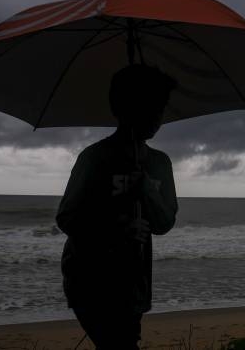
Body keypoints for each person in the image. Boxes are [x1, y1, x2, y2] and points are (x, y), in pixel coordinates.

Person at [56, 64, 179, 349]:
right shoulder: (95, 159)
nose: (158, 118)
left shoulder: (159, 163)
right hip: (89, 280)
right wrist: (118, 227)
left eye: (161, 109)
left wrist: (147, 190)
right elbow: (67, 218)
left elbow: (164, 223)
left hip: (135, 281)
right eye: (151, 108)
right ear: (124, 109)